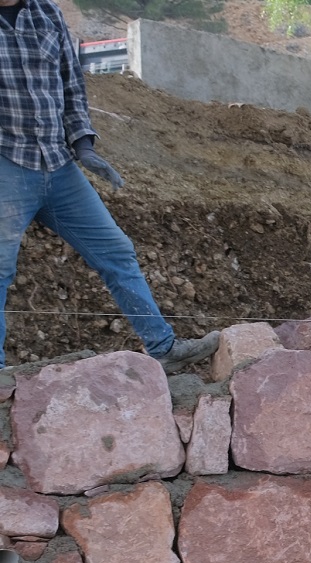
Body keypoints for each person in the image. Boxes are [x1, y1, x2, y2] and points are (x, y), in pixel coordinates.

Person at [0, 0, 218, 371]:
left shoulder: (47, 13)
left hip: (58, 165)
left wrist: (83, 145)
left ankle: (163, 349)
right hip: (8, 163)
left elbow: (71, 84)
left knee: (116, 251)